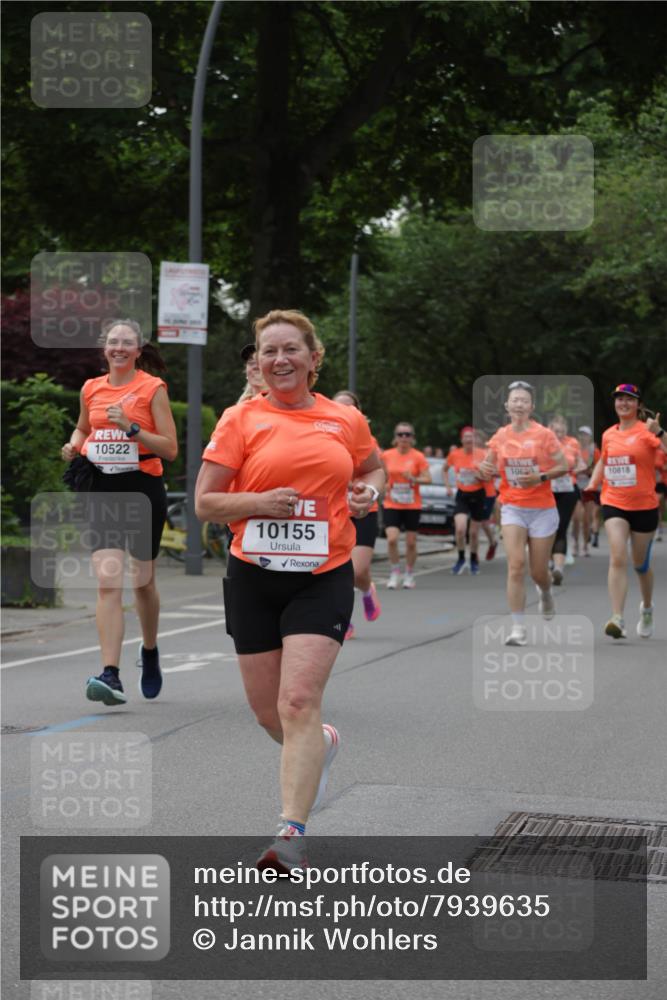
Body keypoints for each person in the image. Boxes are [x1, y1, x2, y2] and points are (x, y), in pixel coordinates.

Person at [195, 310, 384, 873]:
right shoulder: (239, 419)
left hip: (322, 573)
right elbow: (206, 502)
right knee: (266, 712)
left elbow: (374, 470)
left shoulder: (343, 420)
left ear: (313, 357)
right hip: (253, 574)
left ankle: (290, 834)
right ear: (258, 362)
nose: (280, 360)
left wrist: (367, 494)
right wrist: (258, 502)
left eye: (291, 350)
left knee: (297, 701)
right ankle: (320, 745)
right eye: (269, 351)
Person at [61, 319, 178, 705]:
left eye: (127, 342)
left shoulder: (151, 388)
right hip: (103, 490)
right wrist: (74, 444)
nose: (119, 348)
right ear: (105, 348)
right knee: (108, 582)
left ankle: (149, 650)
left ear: (138, 350)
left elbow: (170, 449)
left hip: (143, 488)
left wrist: (131, 429)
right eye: (113, 342)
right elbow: (82, 429)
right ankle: (110, 674)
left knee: (142, 582)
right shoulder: (91, 388)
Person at [479, 381, 568, 646]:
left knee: (538, 572)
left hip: (542, 510)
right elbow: (488, 465)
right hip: (513, 506)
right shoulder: (500, 436)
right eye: (514, 400)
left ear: (531, 407)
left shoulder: (544, 435)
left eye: (524, 400)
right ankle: (518, 628)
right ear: (507, 406)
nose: (519, 404)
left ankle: (546, 590)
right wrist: (484, 469)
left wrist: (540, 476)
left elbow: (563, 466)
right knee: (516, 566)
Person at [586, 384, 666, 639]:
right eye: (619, 399)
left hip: (644, 506)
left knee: (640, 565)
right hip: (614, 501)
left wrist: (661, 432)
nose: (623, 403)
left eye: (629, 400)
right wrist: (592, 484)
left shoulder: (648, 432)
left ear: (638, 405)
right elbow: (603, 460)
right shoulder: (609, 434)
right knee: (617, 556)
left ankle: (647, 609)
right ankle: (617, 618)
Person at [333, 391, 384, 639]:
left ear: (359, 414)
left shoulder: (367, 441)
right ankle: (344, 621)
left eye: (350, 408)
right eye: (338, 406)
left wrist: (365, 489)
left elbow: (376, 473)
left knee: (358, 571)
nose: (343, 411)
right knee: (337, 572)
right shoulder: (323, 435)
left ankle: (366, 591)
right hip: (334, 512)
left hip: (363, 511)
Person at [381, 423, 431, 589]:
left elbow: (428, 478)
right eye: (401, 434)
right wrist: (385, 484)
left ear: (412, 438)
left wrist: (414, 479)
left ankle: (409, 574)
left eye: (407, 434)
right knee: (392, 539)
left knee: (410, 543)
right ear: (395, 437)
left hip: (412, 505)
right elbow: (380, 475)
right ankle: (395, 572)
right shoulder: (386, 455)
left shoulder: (418, 457)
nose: (404, 438)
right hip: (391, 503)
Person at [548, 415, 587, 586]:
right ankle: (549, 557)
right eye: (556, 431)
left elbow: (582, 464)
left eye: (562, 431)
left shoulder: (572, 443)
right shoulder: (543, 443)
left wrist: (575, 468)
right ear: (550, 429)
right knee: (548, 527)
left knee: (561, 526)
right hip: (546, 490)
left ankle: (558, 568)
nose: (559, 434)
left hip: (567, 489)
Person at [444, 427, 487, 575]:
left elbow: (490, 475)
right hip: (462, 495)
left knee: (474, 533)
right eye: (466, 437)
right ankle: (461, 558)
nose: (468, 439)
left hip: (478, 494)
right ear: (462, 439)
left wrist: (480, 474)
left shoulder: (482, 454)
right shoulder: (455, 454)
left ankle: (474, 560)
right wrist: (448, 486)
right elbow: (445, 469)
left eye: (471, 437)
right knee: (460, 529)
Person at [572, 425, 601, 556]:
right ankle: (575, 544)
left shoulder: (594, 451)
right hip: (576, 486)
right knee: (577, 517)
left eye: (585, 434)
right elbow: (569, 466)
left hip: (589, 487)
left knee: (587, 518)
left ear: (589, 437)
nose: (583, 437)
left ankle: (585, 545)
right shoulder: (574, 450)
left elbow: (599, 468)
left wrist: (589, 471)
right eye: (581, 434)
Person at [474, 430, 498, 560]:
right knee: (473, 524)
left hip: (487, 493)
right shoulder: (469, 454)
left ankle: (492, 542)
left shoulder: (488, 454)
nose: (474, 441)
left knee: (482, 523)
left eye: (476, 439)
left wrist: (482, 475)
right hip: (471, 492)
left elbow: (497, 472)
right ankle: (474, 553)